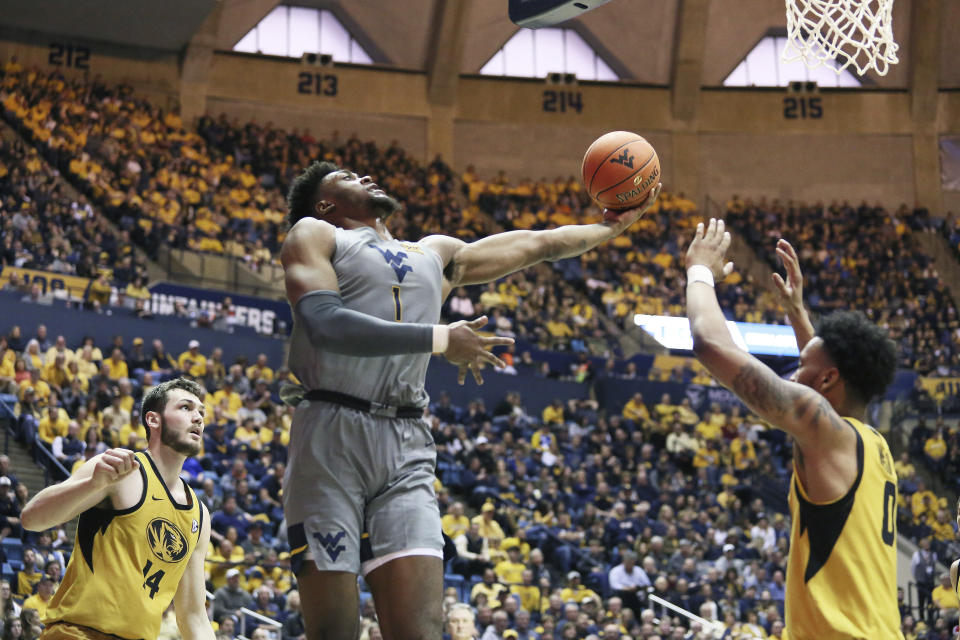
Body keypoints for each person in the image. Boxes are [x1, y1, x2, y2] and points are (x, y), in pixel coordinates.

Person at [279, 161, 661, 640]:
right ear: (325, 203)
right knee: (334, 633)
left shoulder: (433, 253)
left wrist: (611, 227)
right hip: (330, 432)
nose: (365, 176)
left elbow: (538, 244)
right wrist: (440, 339)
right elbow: (324, 323)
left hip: (405, 442)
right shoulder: (316, 234)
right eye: (347, 177)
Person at [685, 224, 901, 639]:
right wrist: (798, 314)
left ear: (826, 381)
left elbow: (710, 344)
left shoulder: (822, 423)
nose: (794, 374)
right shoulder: (872, 443)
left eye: (801, 366)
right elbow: (825, 381)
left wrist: (699, 272)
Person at [20, 378, 214, 639]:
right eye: (186, 408)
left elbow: (193, 616)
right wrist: (91, 485)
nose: (198, 418)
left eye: (201, 412)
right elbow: (31, 518)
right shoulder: (119, 469)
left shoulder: (198, 514)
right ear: (153, 420)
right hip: (77, 633)